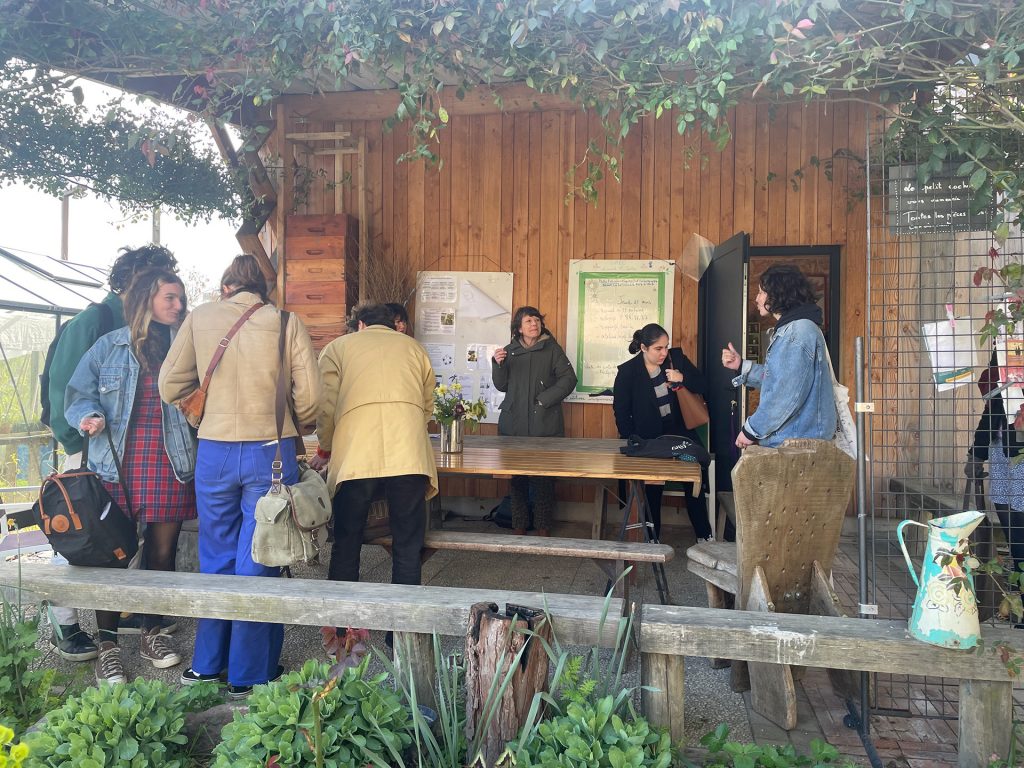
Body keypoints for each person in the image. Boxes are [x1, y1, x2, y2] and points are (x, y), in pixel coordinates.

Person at [159, 254, 321, 699]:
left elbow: (169, 384)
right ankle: (249, 674)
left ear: (226, 285)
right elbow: (309, 399)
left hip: (213, 451)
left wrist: (202, 417)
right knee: (261, 555)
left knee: (216, 553)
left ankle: (207, 664)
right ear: (263, 287)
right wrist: (296, 419)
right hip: (270, 449)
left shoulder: (199, 317)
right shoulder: (285, 321)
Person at [45, 244, 179, 662]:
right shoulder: (97, 323)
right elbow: (66, 386)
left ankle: (145, 624)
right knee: (91, 542)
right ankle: (69, 626)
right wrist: (80, 444)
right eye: (154, 281)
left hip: (160, 460)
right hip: (94, 455)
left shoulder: (176, 335)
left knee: (152, 549)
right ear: (133, 284)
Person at [64, 267, 195, 683]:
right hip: (113, 466)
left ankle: (151, 631)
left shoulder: (185, 345)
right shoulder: (108, 346)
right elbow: (77, 393)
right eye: (169, 298)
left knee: (161, 555)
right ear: (146, 300)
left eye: (180, 298)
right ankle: (107, 645)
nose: (178, 306)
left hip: (169, 462)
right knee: (112, 556)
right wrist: (88, 416)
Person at [311, 303, 437, 590]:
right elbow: (427, 406)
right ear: (393, 325)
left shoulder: (338, 348)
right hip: (409, 453)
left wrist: (325, 448)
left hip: (356, 455)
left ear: (361, 325)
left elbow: (326, 406)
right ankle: (402, 633)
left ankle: (341, 630)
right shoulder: (414, 348)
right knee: (407, 544)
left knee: (347, 540)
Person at [612, 323, 712, 540]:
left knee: (693, 476)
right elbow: (621, 412)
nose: (664, 353)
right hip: (650, 440)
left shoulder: (676, 359)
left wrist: (681, 378)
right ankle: (652, 536)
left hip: (680, 435)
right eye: (658, 348)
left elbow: (704, 385)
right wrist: (634, 441)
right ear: (643, 348)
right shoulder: (628, 372)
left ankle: (704, 535)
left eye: (666, 347)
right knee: (653, 487)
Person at [721, 265, 836, 448]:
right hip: (798, 443)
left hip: (798, 446)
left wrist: (751, 430)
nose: (756, 299)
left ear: (777, 293)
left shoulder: (796, 333)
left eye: (761, 292)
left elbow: (784, 394)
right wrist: (741, 365)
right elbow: (780, 379)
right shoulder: (796, 328)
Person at [491, 306, 577, 535]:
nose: (534, 324)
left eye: (537, 320)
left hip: (544, 423)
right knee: (517, 479)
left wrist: (544, 399)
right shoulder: (509, 351)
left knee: (544, 479)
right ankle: (518, 523)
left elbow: (569, 379)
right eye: (529, 321)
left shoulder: (552, 349)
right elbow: (501, 385)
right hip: (514, 423)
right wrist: (497, 364)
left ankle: (543, 526)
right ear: (519, 327)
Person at [967, 354, 1024, 618]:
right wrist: (977, 453)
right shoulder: (1006, 338)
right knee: (1013, 531)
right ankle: (1019, 606)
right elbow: (993, 408)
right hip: (1004, 448)